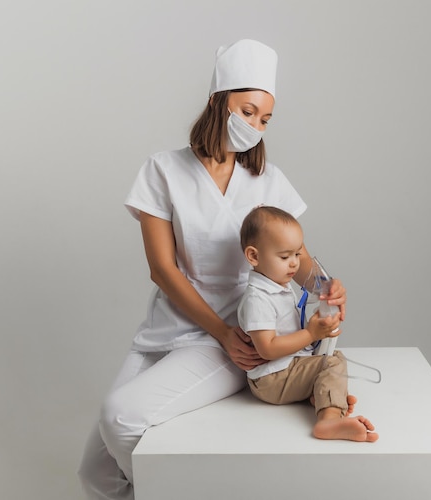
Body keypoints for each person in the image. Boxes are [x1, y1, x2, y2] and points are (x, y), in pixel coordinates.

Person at [77, 39, 348, 500]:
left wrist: (326, 285)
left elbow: (296, 259)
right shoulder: (163, 170)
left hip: (236, 337)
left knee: (120, 416)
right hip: (169, 326)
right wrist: (216, 330)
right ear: (217, 101)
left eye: (264, 118)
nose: (255, 126)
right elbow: (163, 270)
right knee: (95, 473)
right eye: (247, 111)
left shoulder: (268, 181)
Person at [237, 206, 378, 442]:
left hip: (285, 368)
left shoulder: (277, 284)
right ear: (254, 256)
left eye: (296, 255)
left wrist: (321, 331)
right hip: (271, 379)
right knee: (330, 364)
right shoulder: (257, 298)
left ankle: (324, 397)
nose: (294, 264)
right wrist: (311, 333)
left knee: (333, 356)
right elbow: (267, 349)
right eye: (284, 257)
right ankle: (329, 419)